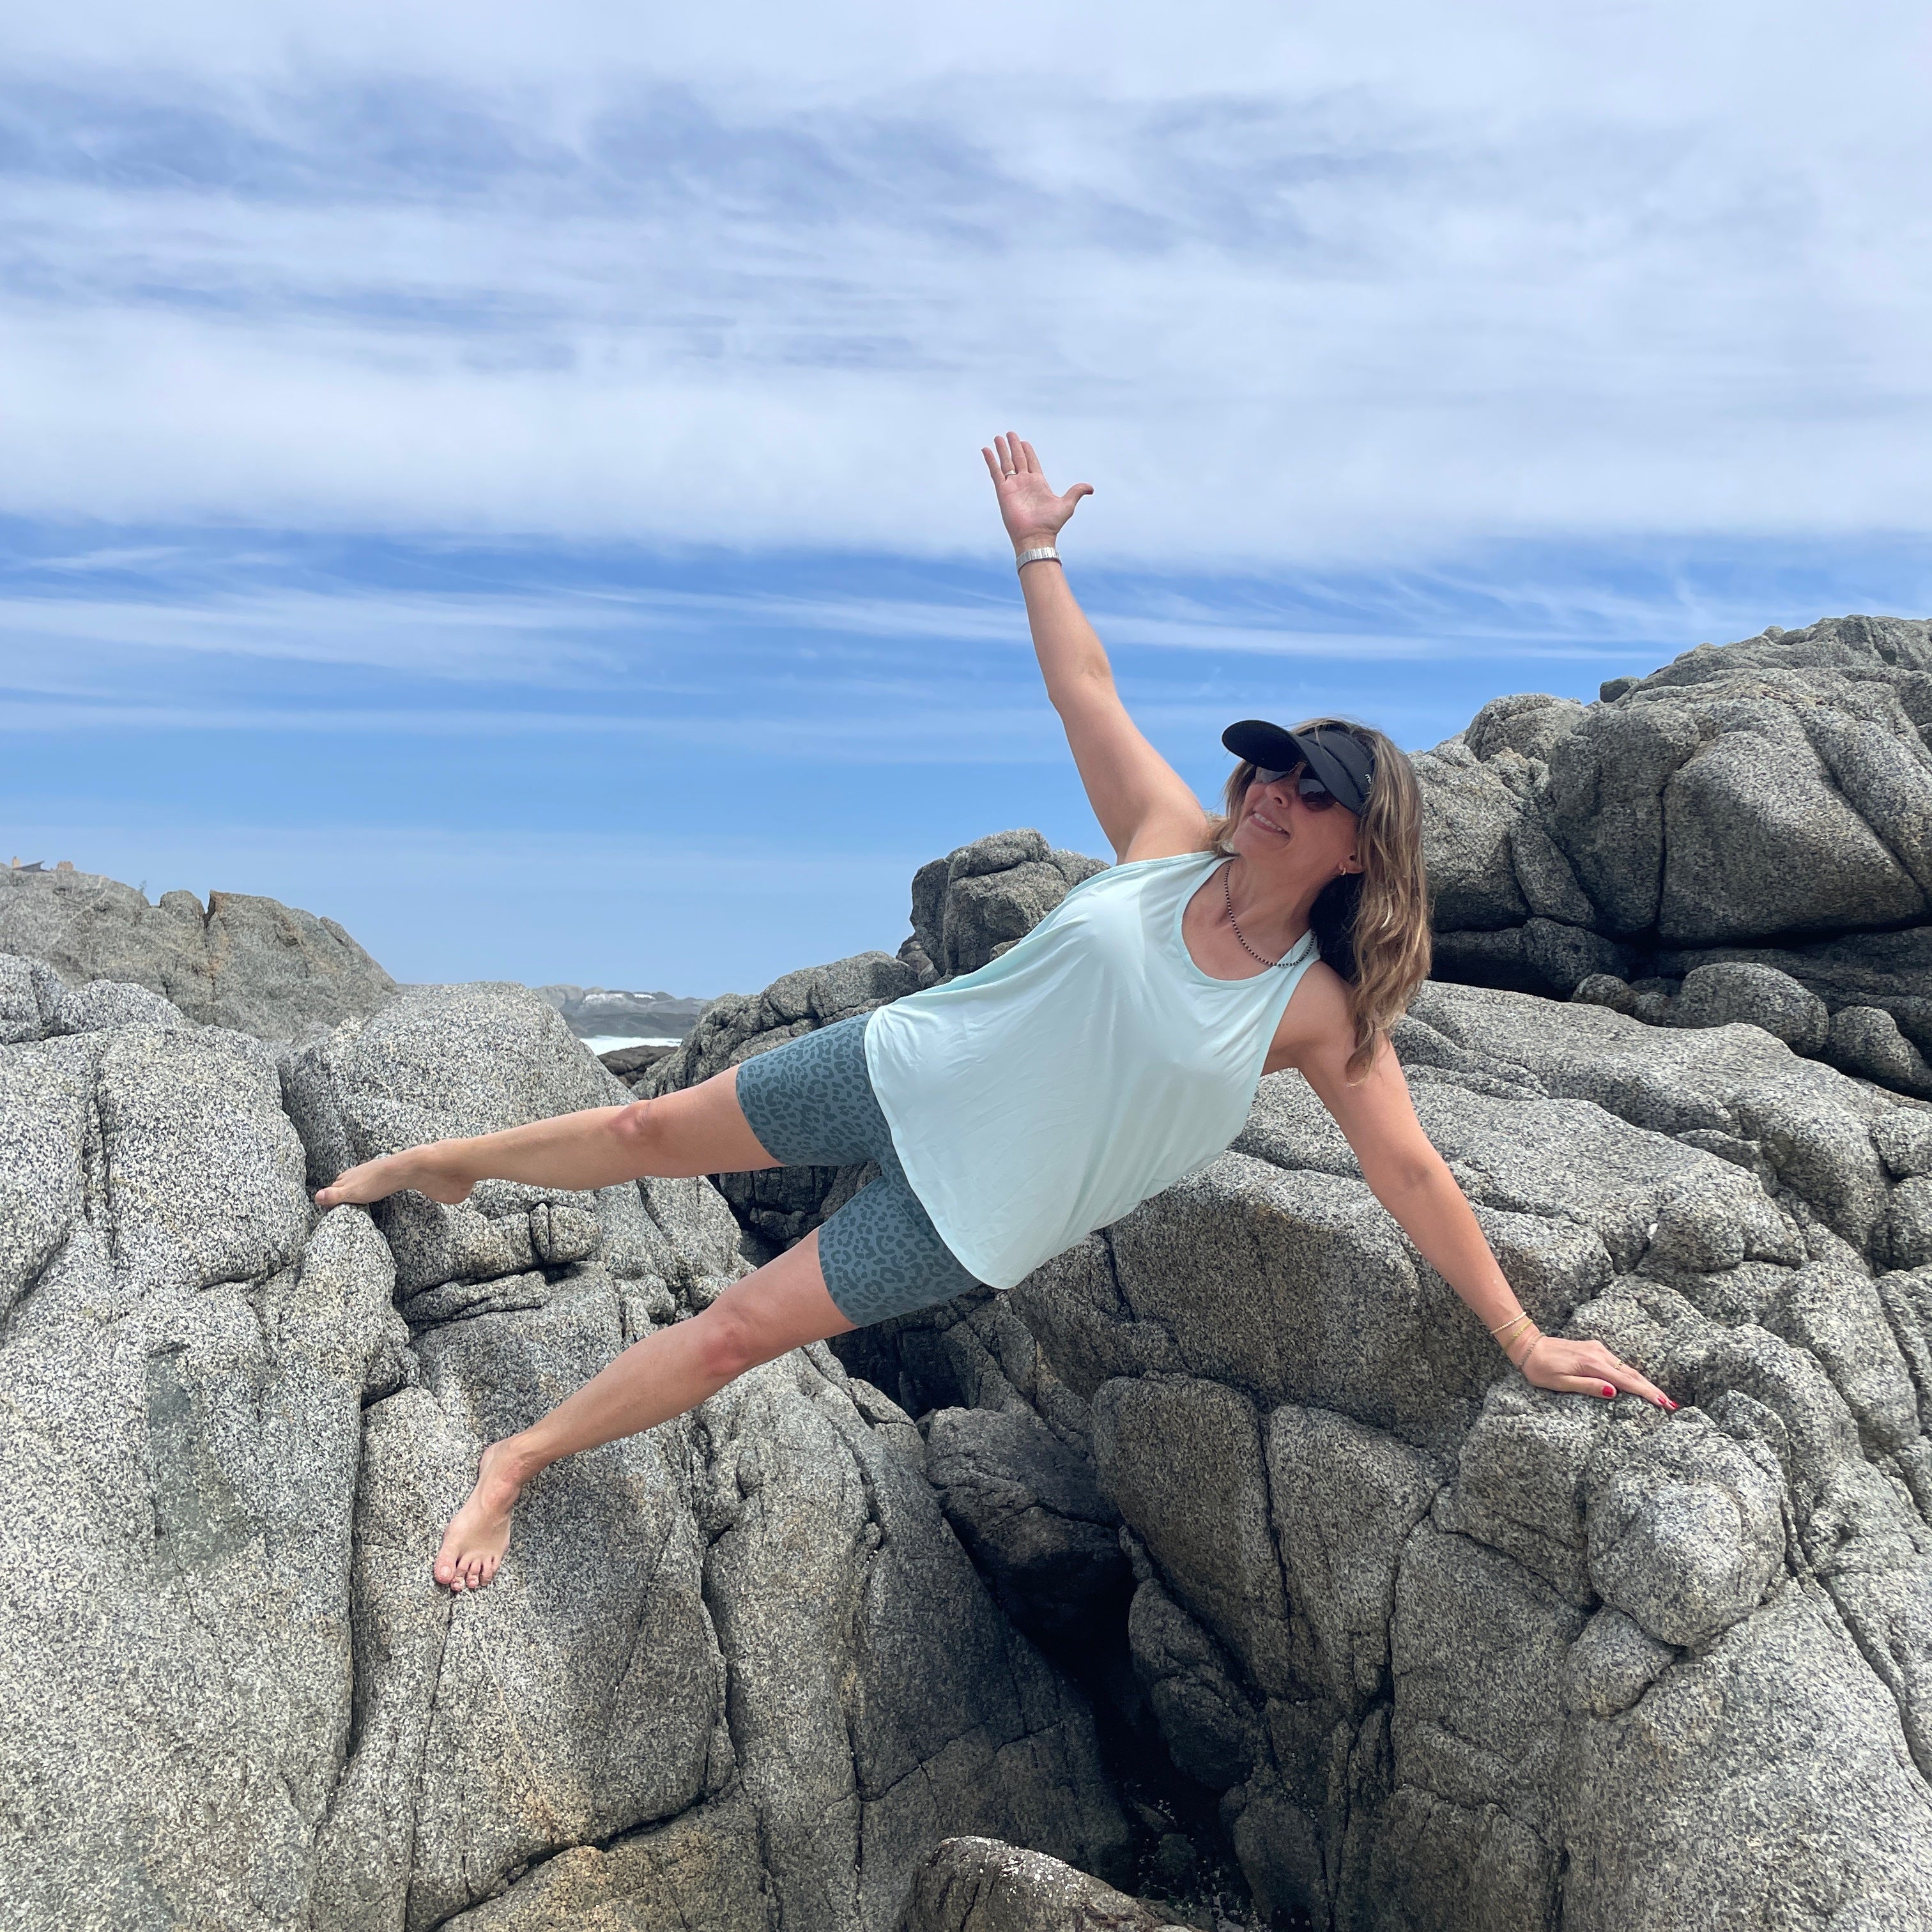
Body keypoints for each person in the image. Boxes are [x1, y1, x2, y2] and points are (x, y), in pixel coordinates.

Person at [316, 433, 1676, 1593]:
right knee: (638, 1129)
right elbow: (1085, 688)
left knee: (733, 1334)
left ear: (1363, 846)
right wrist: (1037, 548)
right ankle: (444, 1165)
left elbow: (1410, 1170)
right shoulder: (1166, 841)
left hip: (972, 1213)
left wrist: (1522, 1337)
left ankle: (515, 1463)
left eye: (1312, 789)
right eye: (1270, 767)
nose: (1274, 790)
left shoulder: (1317, 1013)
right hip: (901, 1066)